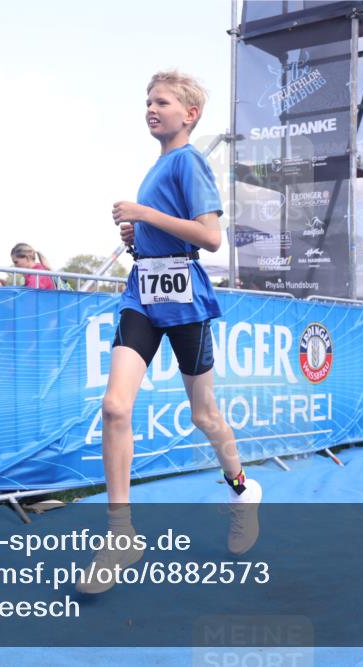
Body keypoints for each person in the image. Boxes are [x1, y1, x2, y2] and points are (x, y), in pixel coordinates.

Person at [78, 70, 262, 595]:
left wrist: (144, 213)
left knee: (205, 414)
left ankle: (242, 491)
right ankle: (120, 535)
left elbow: (210, 237)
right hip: (143, 293)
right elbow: (165, 234)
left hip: (185, 299)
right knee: (115, 406)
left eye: (161, 102)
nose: (150, 109)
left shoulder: (189, 160)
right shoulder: (158, 165)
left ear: (190, 114)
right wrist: (141, 234)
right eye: (147, 102)